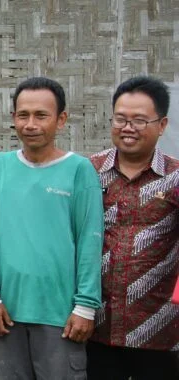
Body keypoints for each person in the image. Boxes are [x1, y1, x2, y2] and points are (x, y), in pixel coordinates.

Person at [0, 77, 103, 379]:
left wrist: (85, 306)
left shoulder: (79, 169)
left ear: (61, 120)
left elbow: (90, 239)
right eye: (23, 115)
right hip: (5, 313)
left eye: (41, 115)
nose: (30, 124)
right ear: (13, 118)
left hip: (61, 315)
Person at [87, 76, 179, 379]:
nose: (128, 128)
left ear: (162, 125)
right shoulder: (88, 171)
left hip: (158, 329)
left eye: (139, 120)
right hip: (94, 326)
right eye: (121, 119)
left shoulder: (176, 177)